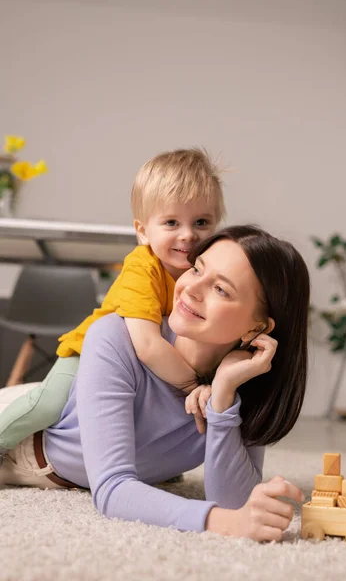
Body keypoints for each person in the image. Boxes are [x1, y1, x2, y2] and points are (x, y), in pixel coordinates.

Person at [0, 225, 310, 543]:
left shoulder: (244, 381)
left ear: (257, 327)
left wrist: (223, 396)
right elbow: (112, 490)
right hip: (22, 440)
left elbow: (235, 503)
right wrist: (220, 522)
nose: (190, 288)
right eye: (196, 268)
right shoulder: (115, 338)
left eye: (221, 289)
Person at [0, 148, 226, 455]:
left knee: (154, 416)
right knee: (47, 405)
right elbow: (147, 345)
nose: (188, 235)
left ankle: (158, 464)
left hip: (143, 367)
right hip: (88, 354)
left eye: (201, 222)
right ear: (143, 232)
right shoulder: (142, 267)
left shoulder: (208, 271)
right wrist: (193, 386)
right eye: (171, 223)